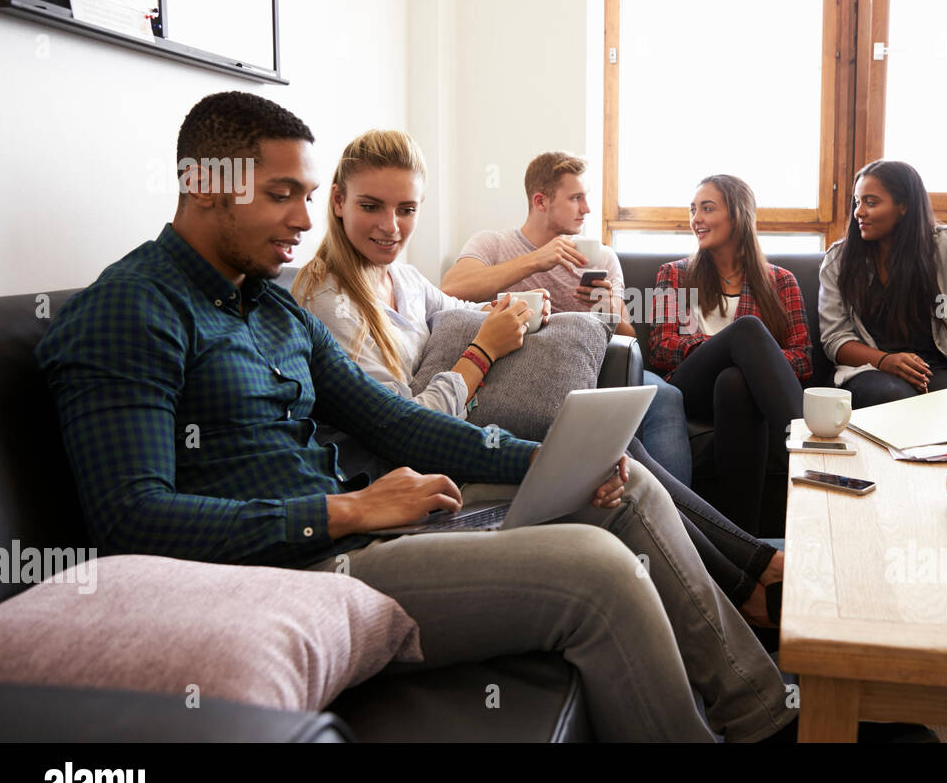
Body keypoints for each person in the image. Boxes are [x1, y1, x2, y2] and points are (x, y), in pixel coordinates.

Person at [33, 92, 796, 743]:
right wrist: (342, 510)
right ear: (203, 185)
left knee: (621, 486)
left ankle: (766, 713)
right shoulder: (130, 312)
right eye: (282, 194)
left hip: (365, 526)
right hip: (296, 566)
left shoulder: (265, 304)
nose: (305, 218)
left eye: (307, 193)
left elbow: (397, 425)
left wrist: (545, 462)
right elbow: (132, 522)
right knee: (598, 574)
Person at [292, 129, 784, 628]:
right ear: (337, 201)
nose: (392, 227)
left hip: (463, 434)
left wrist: (519, 313)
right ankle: (749, 587)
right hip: (417, 474)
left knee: (623, 453)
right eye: (373, 206)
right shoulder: (331, 305)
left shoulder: (404, 279)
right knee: (616, 474)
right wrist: (484, 349)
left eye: (407, 210)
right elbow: (402, 429)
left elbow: (464, 309)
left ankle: (756, 568)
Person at [440, 152, 693, 487]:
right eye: (576, 198)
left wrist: (605, 305)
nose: (587, 208)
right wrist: (536, 261)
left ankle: (667, 515)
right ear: (540, 201)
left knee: (664, 395)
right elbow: (452, 287)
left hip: (596, 368)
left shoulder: (600, 256)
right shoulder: (493, 243)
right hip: (518, 371)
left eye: (586, 198)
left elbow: (629, 338)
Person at [649, 175, 812, 536]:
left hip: (741, 396)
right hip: (691, 390)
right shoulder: (674, 275)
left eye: (708, 208)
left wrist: (747, 362)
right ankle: (808, 446)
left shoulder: (780, 281)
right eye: (693, 210)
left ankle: (745, 549)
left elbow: (803, 359)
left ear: (738, 216)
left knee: (735, 381)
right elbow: (661, 346)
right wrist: (724, 347)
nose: (697, 219)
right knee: (748, 330)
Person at [818, 160, 947, 409]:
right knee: (894, 396)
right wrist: (885, 360)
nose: (859, 212)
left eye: (871, 202)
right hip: (869, 369)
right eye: (857, 202)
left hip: (936, 369)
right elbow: (835, 339)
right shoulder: (838, 260)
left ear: (903, 206)